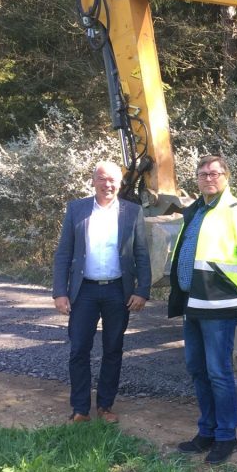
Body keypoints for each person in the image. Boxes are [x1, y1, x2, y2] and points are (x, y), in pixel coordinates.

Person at [168, 155, 237, 465]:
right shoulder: (195, 210)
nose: (208, 178)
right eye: (203, 173)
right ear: (196, 179)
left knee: (218, 373)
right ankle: (206, 432)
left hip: (220, 306)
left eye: (215, 173)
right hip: (193, 303)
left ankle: (226, 437)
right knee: (197, 369)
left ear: (226, 177)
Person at [53, 160, 151, 424]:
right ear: (93, 181)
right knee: (79, 350)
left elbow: (141, 253)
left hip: (118, 292)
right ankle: (81, 409)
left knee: (113, 349)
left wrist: (142, 289)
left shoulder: (133, 211)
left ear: (120, 183)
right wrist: (59, 292)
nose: (108, 185)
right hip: (84, 292)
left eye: (113, 180)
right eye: (102, 179)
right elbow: (63, 253)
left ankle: (105, 407)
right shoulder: (77, 209)